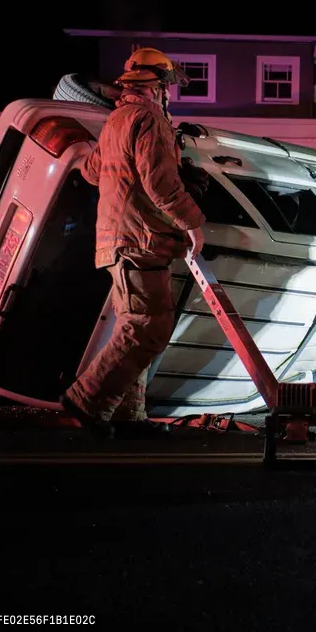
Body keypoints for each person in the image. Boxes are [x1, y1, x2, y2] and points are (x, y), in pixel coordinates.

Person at [60, 48, 206, 438]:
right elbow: (158, 183)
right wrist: (192, 222)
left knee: (136, 327)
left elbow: (93, 172)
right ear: (158, 87)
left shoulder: (117, 121)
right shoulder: (149, 119)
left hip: (120, 239)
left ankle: (129, 416)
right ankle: (86, 400)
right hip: (140, 238)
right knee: (149, 327)